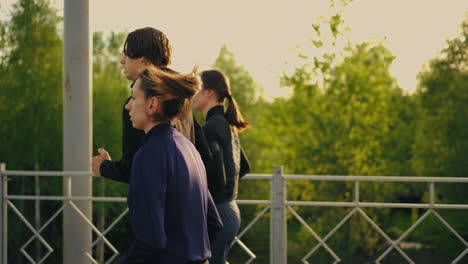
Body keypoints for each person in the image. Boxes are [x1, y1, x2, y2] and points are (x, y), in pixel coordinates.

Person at [119, 66, 222, 264]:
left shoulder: (149, 155)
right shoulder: (189, 149)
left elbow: (150, 241)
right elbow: (214, 223)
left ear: (152, 105)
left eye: (133, 97)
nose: (128, 106)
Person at [91, 27, 211, 182]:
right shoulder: (181, 96)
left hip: (157, 201)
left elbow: (134, 170)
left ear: (143, 59)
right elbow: (204, 157)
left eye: (127, 54)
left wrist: (103, 167)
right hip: (183, 199)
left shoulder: (138, 104)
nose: (122, 60)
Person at [192, 70, 251, 264]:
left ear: (209, 92)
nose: (193, 95)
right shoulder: (227, 124)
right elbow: (244, 168)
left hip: (218, 213)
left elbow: (217, 177)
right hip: (230, 211)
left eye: (196, 89)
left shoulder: (211, 127)